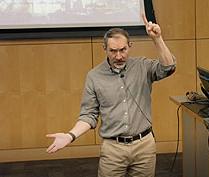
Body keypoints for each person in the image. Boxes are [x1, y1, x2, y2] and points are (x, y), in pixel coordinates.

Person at [46, 14, 176, 177]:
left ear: (130, 46)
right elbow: (89, 115)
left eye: (123, 50)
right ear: (105, 49)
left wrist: (157, 39)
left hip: (144, 145)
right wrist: (70, 136)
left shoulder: (142, 66)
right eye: (113, 51)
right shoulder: (94, 76)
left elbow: (168, 67)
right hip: (113, 148)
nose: (119, 56)